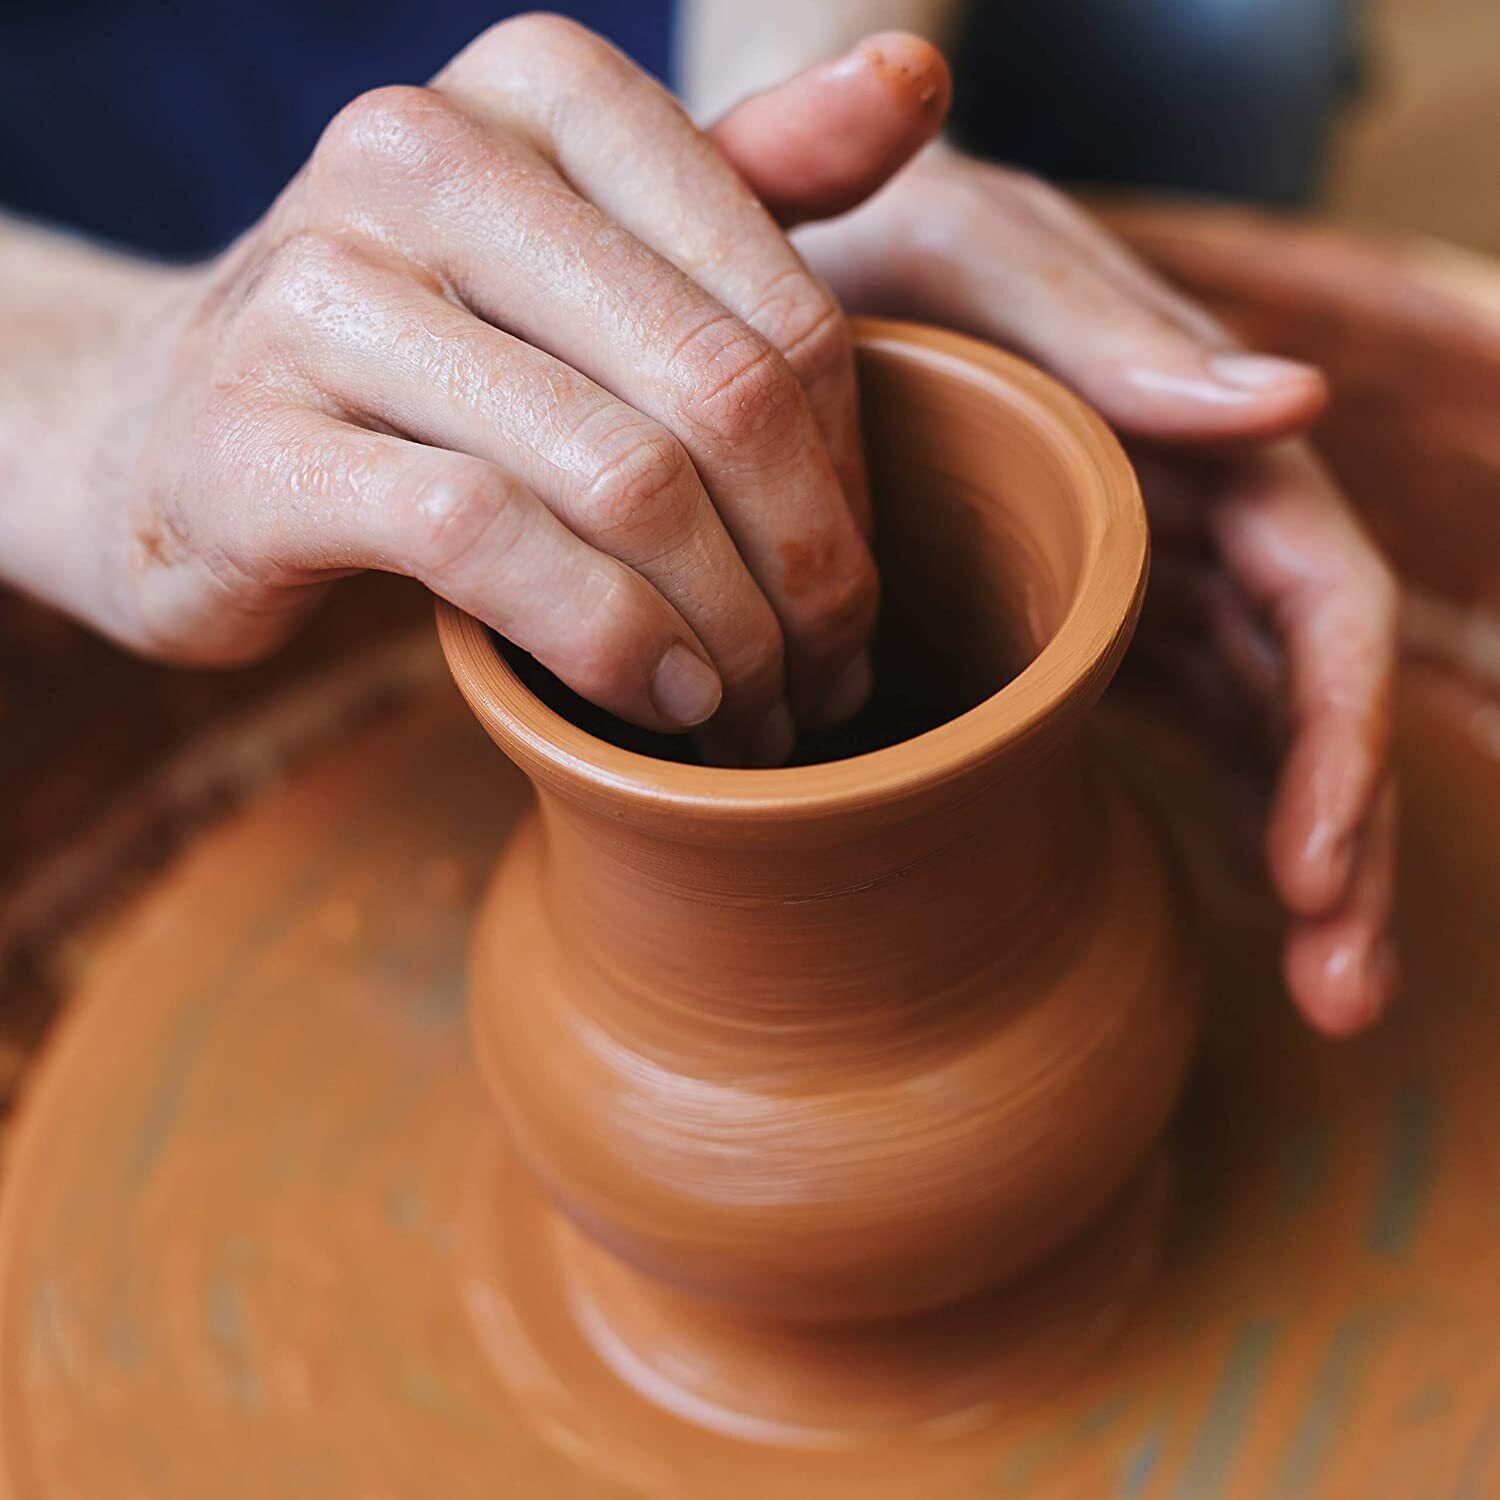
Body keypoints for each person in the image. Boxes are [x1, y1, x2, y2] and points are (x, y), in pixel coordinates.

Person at [0, 7, 1395, 1037]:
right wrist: (95, 403)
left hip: (619, 86)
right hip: (70, 223)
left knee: (1230, 39)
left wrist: (804, 136)